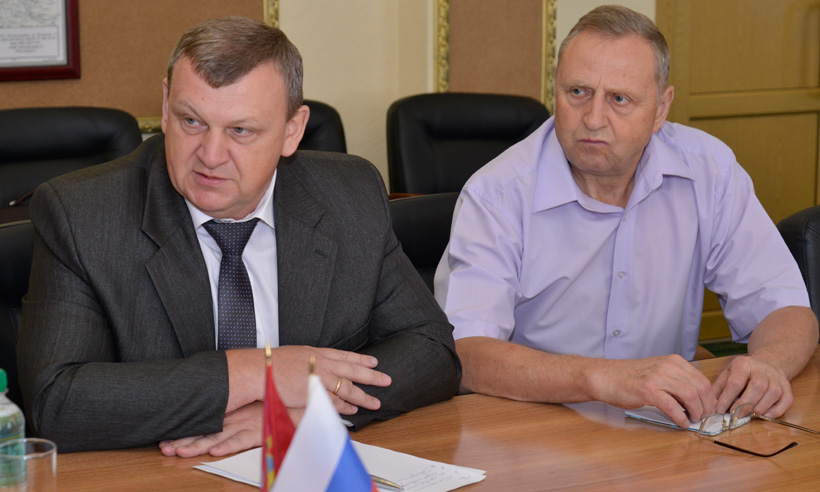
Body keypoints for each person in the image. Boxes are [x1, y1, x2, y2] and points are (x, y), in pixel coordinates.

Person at [17, 16, 460, 456]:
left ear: (292, 130)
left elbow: (432, 348)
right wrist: (257, 374)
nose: (210, 156)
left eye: (241, 130)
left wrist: (306, 411)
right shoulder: (83, 214)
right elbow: (56, 402)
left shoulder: (349, 194)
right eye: (192, 121)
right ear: (166, 105)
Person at [434, 5, 817, 431]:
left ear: (661, 109)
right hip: (534, 429)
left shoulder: (709, 171)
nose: (593, 119)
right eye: (577, 92)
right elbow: (465, 353)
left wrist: (768, 365)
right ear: (554, 88)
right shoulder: (496, 194)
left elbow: (784, 306)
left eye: (619, 99)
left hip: (666, 429)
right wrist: (601, 378)